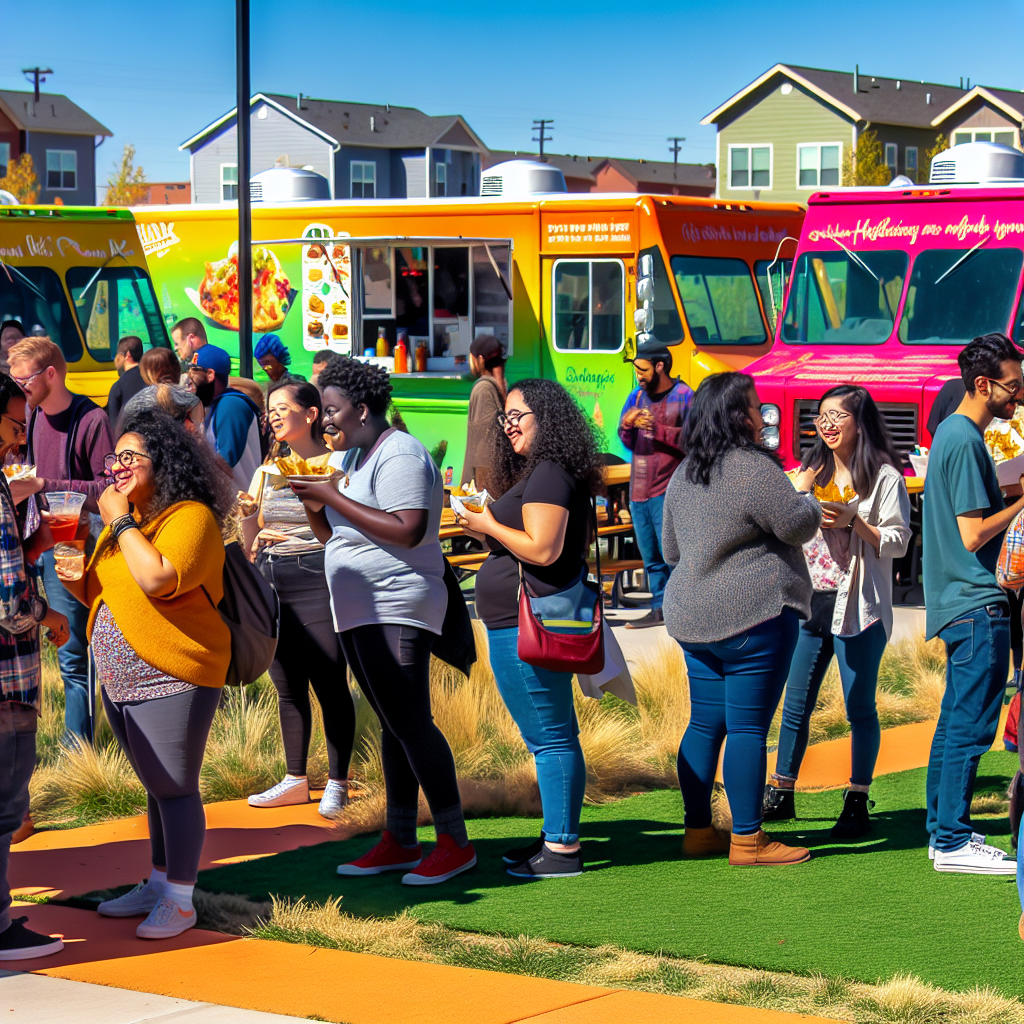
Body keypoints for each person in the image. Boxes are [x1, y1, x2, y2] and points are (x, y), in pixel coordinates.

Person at [290, 357, 475, 885]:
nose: (324, 420)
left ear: (362, 409)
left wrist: (329, 494)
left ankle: (454, 842)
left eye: (332, 410)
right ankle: (399, 838)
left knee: (412, 722)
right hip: (358, 607)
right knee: (395, 724)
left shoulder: (400, 452)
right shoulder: (351, 456)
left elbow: (408, 529)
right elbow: (337, 539)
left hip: (396, 604)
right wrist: (315, 504)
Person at [58, 409, 235, 938]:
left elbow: (160, 579)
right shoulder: (128, 523)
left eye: (130, 457)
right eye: (116, 459)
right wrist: (69, 566)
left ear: (166, 462)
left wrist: (118, 520)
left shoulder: (190, 518)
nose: (117, 467)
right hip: (121, 677)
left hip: (174, 673)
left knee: (176, 788)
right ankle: (159, 883)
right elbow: (102, 593)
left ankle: (181, 900)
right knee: (156, 788)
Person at [662, 372, 820, 867]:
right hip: (754, 616)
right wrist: (808, 497)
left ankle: (697, 831)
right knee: (749, 729)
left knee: (705, 724)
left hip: (691, 617)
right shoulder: (753, 467)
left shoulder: (683, 473)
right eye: (756, 406)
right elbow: (796, 525)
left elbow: (669, 551)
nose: (763, 413)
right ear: (738, 416)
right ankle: (748, 840)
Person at [458, 379, 604, 879]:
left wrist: (487, 525)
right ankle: (555, 835)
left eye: (518, 415)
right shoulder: (544, 471)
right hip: (519, 620)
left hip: (527, 622)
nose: (509, 425)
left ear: (548, 418)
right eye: (506, 418)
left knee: (551, 738)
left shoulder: (549, 473)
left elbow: (541, 548)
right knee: (551, 733)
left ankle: (562, 849)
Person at [764, 385, 911, 839]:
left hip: (860, 607)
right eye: (821, 416)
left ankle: (857, 797)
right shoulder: (809, 470)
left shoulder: (885, 477)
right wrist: (799, 493)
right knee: (796, 704)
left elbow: (899, 541)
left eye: (837, 416)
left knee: (859, 708)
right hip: (811, 602)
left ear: (859, 422)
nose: (826, 425)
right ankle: (781, 791)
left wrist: (854, 521)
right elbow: (778, 522)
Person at [923, 333, 1024, 875]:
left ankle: (943, 833)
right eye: (1012, 387)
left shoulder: (953, 434)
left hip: (958, 600)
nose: (1018, 396)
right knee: (970, 724)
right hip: (976, 601)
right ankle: (954, 840)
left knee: (954, 720)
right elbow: (971, 534)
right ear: (983, 385)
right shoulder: (964, 438)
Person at [243, 380, 355, 817]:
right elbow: (251, 541)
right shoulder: (268, 470)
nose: (271, 416)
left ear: (310, 414)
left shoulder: (338, 464)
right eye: (269, 410)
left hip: (318, 579)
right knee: (287, 687)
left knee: (330, 684)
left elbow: (347, 527)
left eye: (281, 408)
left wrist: (303, 532)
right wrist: (251, 522)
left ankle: (338, 782)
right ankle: (295, 779)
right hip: (273, 581)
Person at [8, 336, 114, 744]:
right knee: (61, 644)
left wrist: (41, 483)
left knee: (73, 649)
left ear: (51, 373)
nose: (20, 389)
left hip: (77, 543)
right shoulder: (32, 415)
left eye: (25, 381)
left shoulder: (92, 420)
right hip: (41, 540)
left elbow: (107, 489)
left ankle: (79, 752)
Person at [0, 372, 68, 960]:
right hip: (5, 677)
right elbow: (7, 603)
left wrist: (31, 547)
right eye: (16, 426)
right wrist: (47, 614)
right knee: (4, 805)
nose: (20, 441)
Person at [617, 340, 693, 629]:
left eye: (643, 369)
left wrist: (657, 430)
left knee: (673, 555)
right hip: (639, 491)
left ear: (660, 366)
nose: (638, 375)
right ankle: (659, 609)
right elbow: (626, 440)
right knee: (650, 558)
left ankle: (681, 611)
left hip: (669, 492)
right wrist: (627, 424)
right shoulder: (636, 397)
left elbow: (696, 441)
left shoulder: (686, 396)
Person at [187, 344, 262, 492]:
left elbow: (224, 464)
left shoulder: (230, 405)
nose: (189, 379)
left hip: (241, 505)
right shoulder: (215, 405)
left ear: (210, 375)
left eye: (194, 372)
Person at [460, 334, 506, 493]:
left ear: (480, 359)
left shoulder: (482, 389)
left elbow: (482, 441)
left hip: (485, 479)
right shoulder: (499, 385)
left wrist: (472, 482)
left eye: (470, 357)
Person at [106, 336, 147, 429]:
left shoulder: (118, 387)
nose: (115, 360)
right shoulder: (151, 378)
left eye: (117, 355)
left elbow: (115, 427)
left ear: (127, 355)